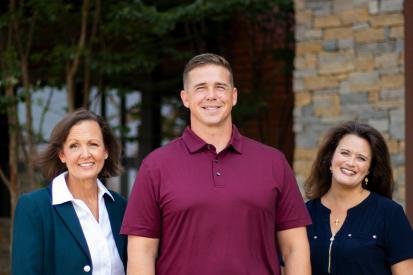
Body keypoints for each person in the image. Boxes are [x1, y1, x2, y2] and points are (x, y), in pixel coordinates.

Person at [121, 53, 311, 275]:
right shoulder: (156, 166)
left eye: (220, 87)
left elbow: (294, 248)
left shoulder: (273, 162)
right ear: (185, 98)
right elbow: (141, 252)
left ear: (233, 96)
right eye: (201, 88)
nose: (211, 96)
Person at [12, 109, 127, 275]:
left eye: (93, 144)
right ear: (62, 154)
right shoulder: (34, 207)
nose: (85, 154)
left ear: (106, 151)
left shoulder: (120, 207)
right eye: (74, 146)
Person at [304, 121, 413, 275]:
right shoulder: (305, 214)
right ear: (330, 158)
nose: (351, 163)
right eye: (345, 153)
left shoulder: (390, 214)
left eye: (361, 158)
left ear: (369, 170)